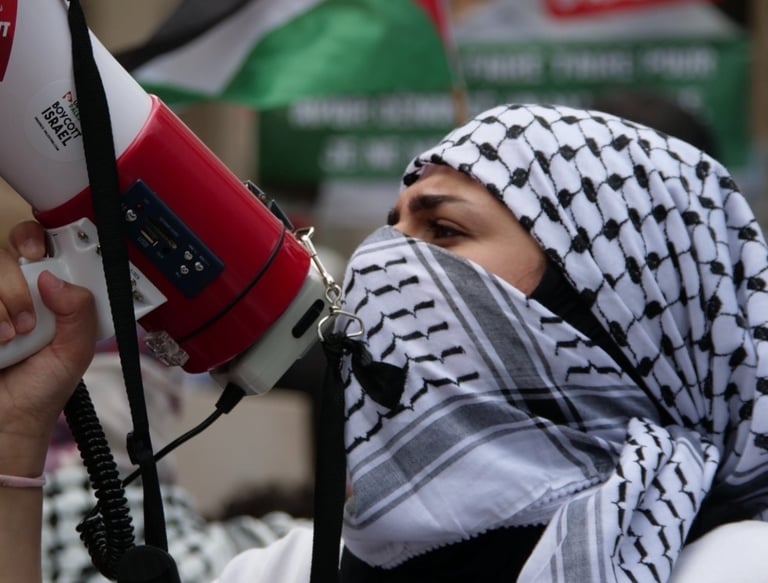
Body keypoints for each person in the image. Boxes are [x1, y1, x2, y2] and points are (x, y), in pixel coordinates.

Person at [3, 102, 768, 582]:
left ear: (610, 302)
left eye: (443, 228)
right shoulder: (300, 567)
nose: (378, 262)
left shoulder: (729, 565)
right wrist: (15, 438)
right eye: (392, 226)